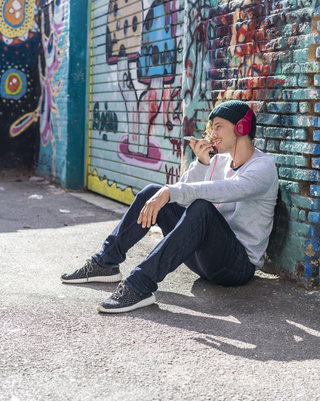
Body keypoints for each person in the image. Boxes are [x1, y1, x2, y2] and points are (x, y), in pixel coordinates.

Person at [61, 100, 279, 314]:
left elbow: (228, 190)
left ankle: (139, 286)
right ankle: (105, 262)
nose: (212, 134)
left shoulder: (263, 167)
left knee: (201, 207)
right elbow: (182, 199)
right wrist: (201, 165)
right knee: (151, 191)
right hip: (203, 260)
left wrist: (170, 191)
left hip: (236, 267)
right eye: (211, 128)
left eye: (218, 127)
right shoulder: (219, 162)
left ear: (241, 127)